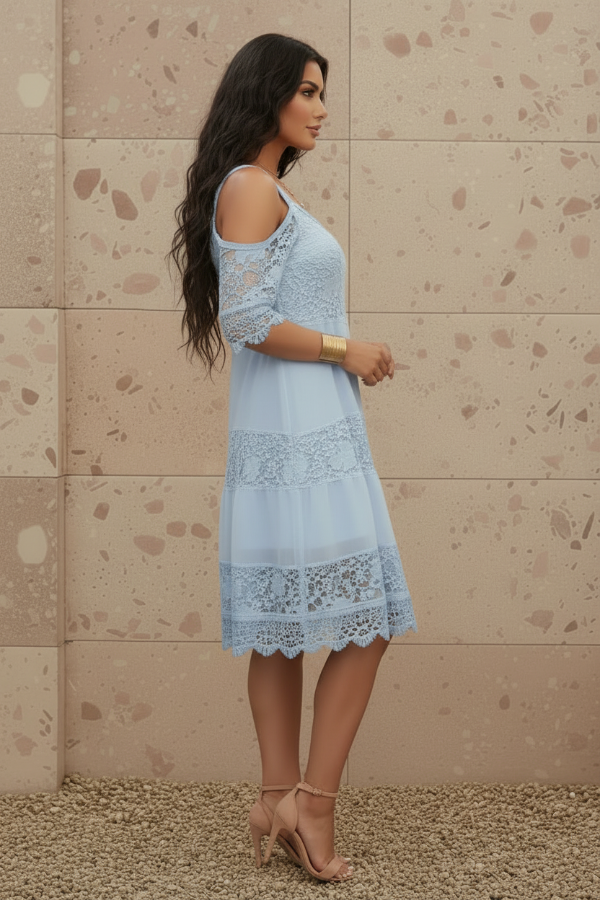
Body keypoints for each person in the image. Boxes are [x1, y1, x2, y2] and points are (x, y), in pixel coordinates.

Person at [168, 33, 418, 884]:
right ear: (267, 93)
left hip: (303, 431)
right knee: (364, 620)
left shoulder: (264, 190)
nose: (320, 108)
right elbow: (246, 321)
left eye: (322, 93)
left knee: (281, 631)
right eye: (308, 91)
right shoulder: (247, 186)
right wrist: (348, 347)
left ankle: (280, 796)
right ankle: (309, 801)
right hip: (296, 439)